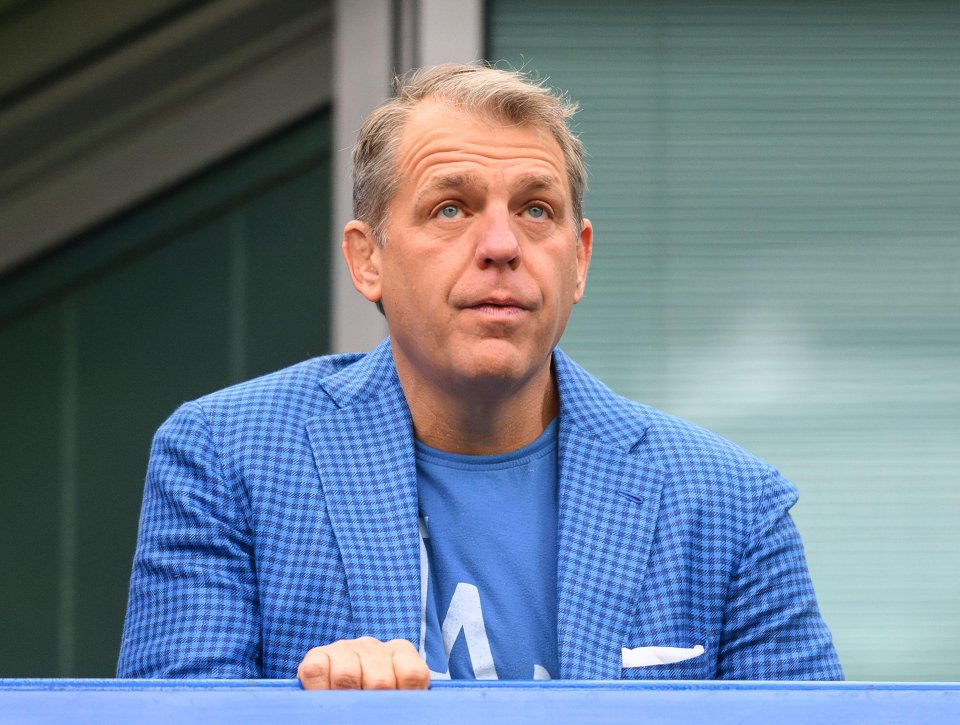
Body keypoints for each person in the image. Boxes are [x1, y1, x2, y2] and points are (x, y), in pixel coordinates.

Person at [117, 63, 842, 687]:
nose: (501, 245)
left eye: (535, 209)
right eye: (451, 207)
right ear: (368, 258)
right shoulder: (225, 460)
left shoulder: (730, 506)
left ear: (579, 257)